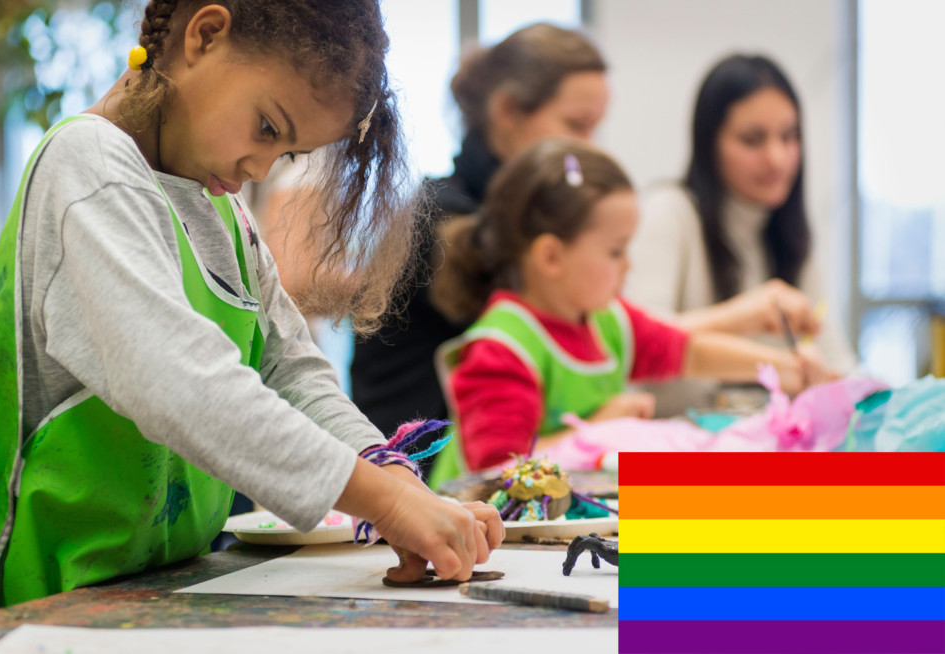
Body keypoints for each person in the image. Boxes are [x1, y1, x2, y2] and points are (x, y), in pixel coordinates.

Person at [0, 0, 502, 616]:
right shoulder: (87, 163)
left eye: (288, 154)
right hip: (38, 606)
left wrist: (398, 482)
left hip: (150, 593)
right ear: (206, 35)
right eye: (268, 128)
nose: (260, 168)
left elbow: (292, 372)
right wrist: (384, 500)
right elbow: (179, 381)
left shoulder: (222, 210)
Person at [429, 140, 833, 482]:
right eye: (615, 251)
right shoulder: (502, 350)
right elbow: (498, 471)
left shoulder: (606, 320)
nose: (629, 266)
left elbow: (686, 351)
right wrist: (599, 428)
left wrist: (786, 368)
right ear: (550, 256)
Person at [350, 23, 609, 450]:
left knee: (737, 494)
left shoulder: (494, 216)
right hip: (431, 481)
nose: (590, 148)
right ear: (508, 110)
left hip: (499, 470)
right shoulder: (446, 222)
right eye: (577, 125)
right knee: (724, 501)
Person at [624, 54, 855, 416]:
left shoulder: (789, 235)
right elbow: (629, 344)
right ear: (709, 144)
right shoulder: (668, 212)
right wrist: (742, 318)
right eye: (753, 140)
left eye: (789, 136)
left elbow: (840, 367)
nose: (777, 158)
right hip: (671, 451)